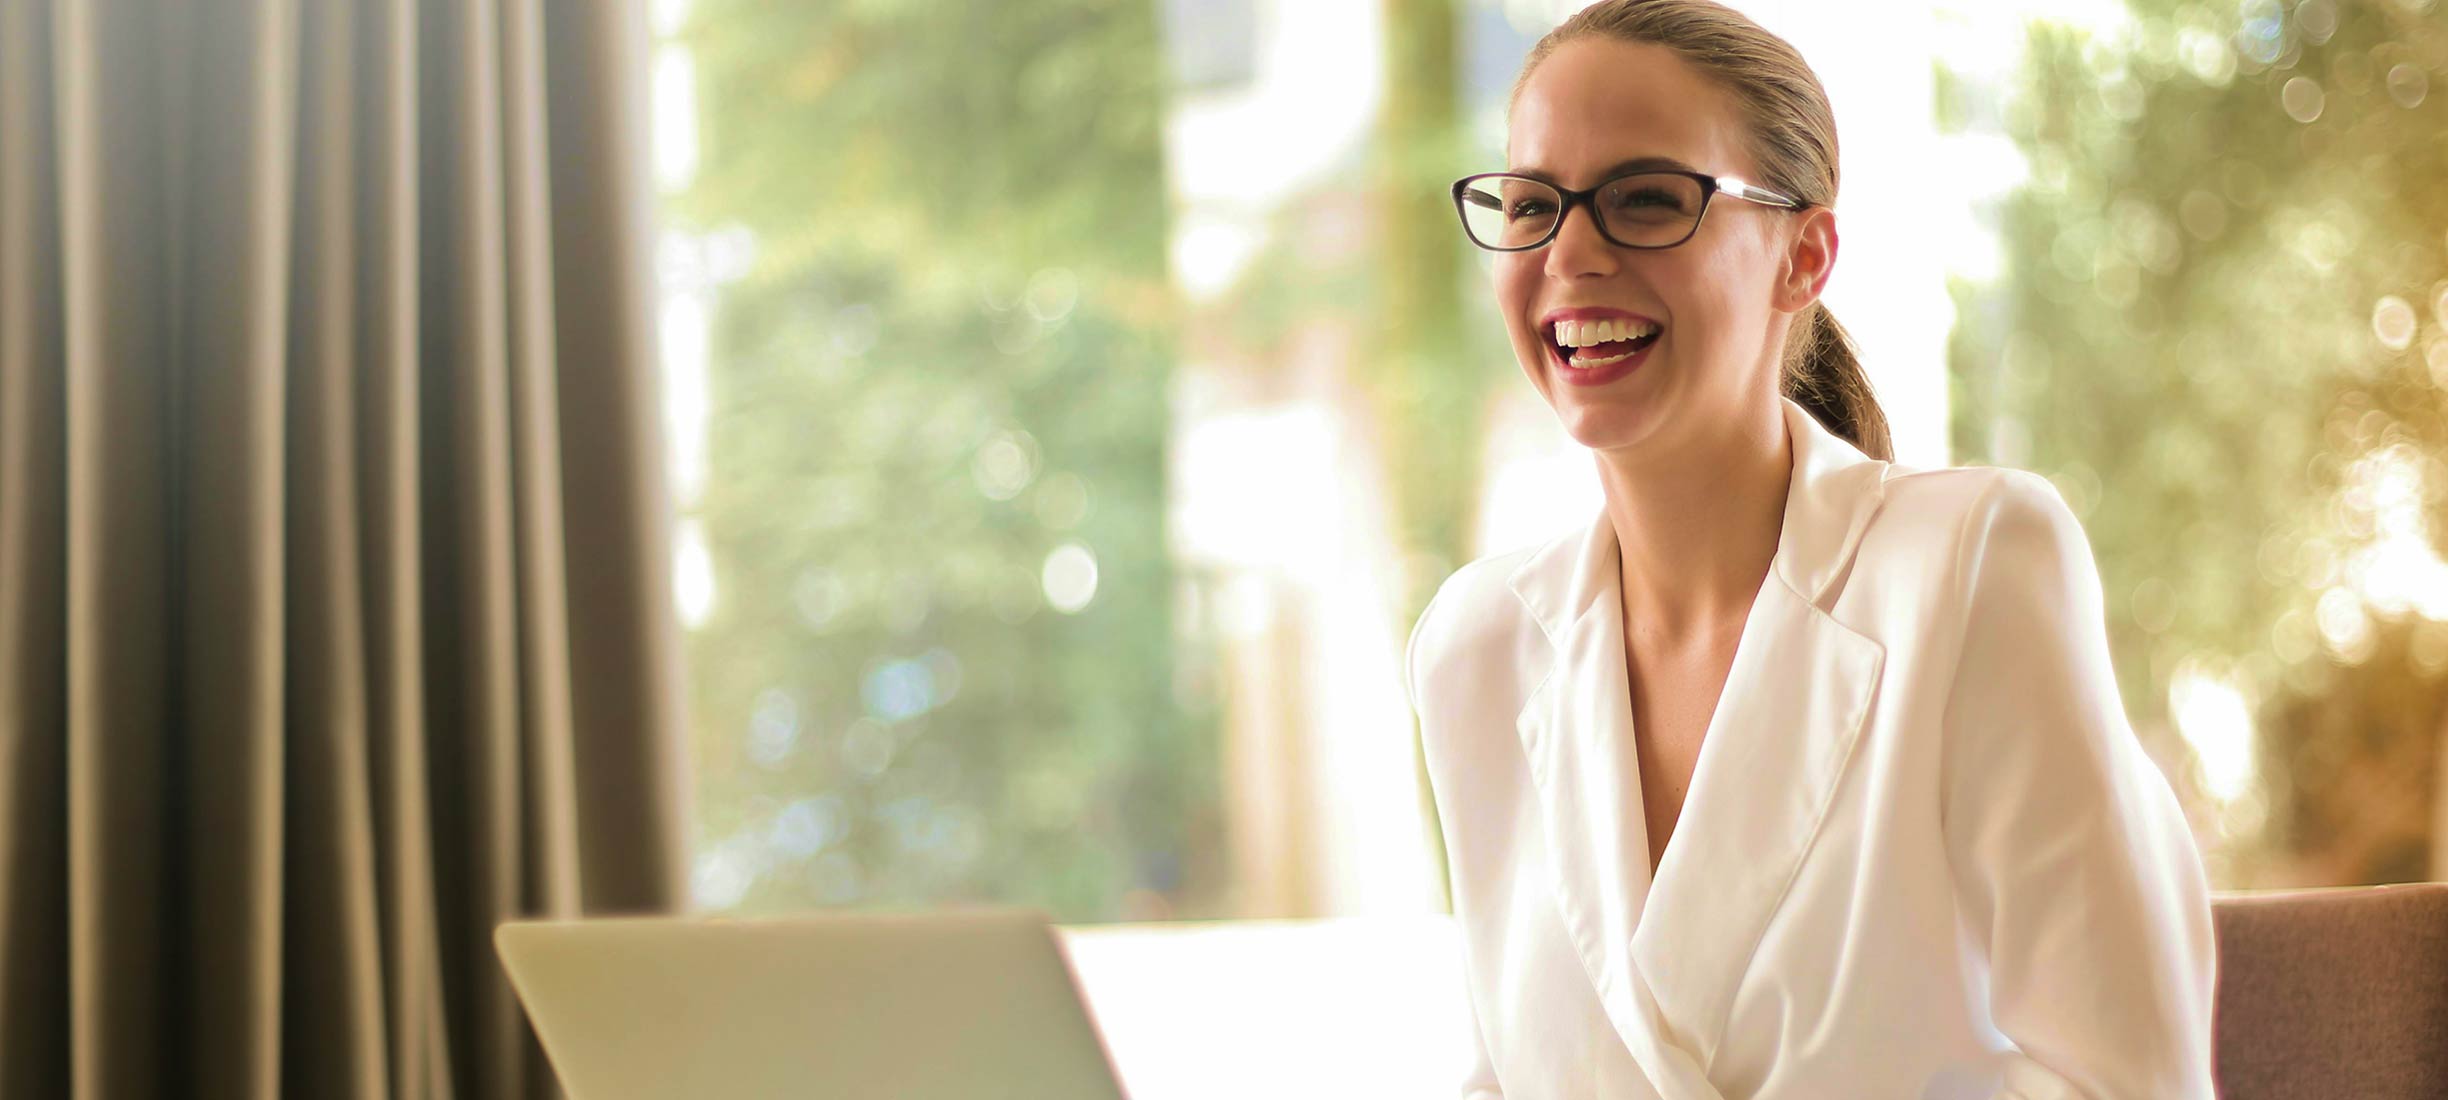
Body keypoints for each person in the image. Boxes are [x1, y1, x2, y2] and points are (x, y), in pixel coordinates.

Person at [1403, 2, 2217, 1097]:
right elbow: (1509, 1071)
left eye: (1647, 199)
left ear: (1805, 253)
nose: (1572, 252)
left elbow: (2131, 1081)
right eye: (1535, 204)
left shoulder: (1973, 566)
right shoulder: (1476, 642)